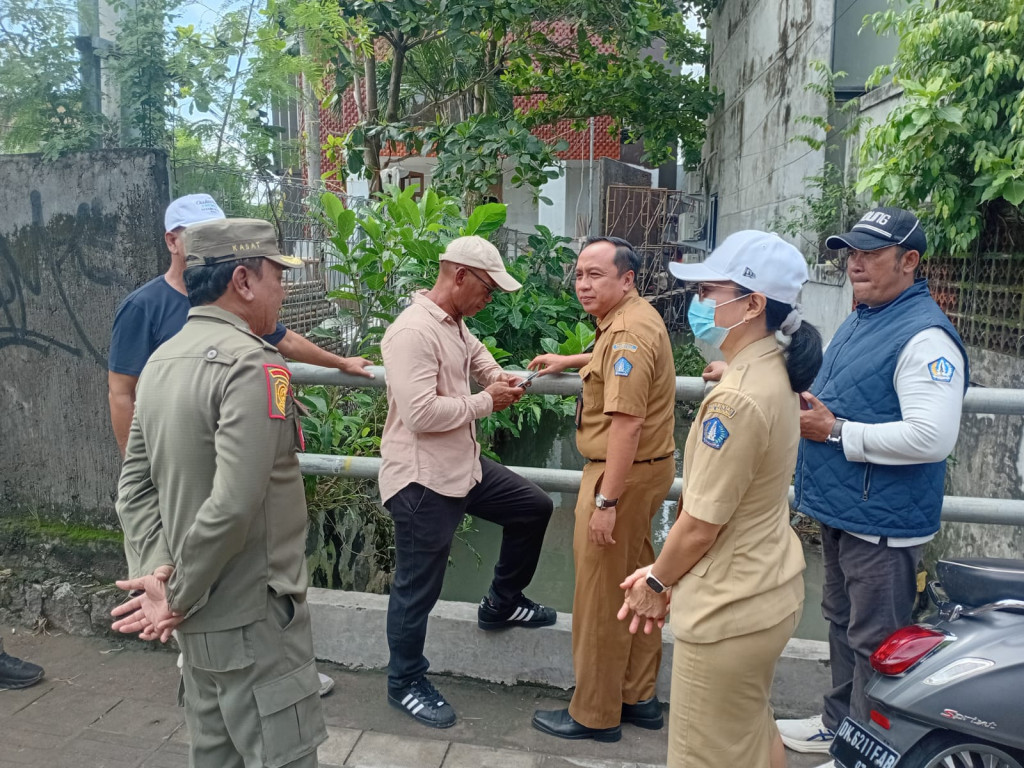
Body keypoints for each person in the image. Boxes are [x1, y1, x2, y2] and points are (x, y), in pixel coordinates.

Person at [107, 193, 368, 696]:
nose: (284, 290)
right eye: (278, 277)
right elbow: (232, 503)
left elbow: (132, 487)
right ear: (243, 281)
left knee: (212, 720)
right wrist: (177, 594)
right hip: (246, 593)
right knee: (269, 722)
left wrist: (157, 572)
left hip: (190, 572)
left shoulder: (163, 358)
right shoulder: (249, 362)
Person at [617, 230, 823, 768]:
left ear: (753, 304)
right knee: (751, 732)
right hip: (767, 588)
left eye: (709, 291)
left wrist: (656, 582)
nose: (699, 302)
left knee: (706, 754)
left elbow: (700, 525)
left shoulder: (735, 402)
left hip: (729, 606)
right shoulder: (773, 371)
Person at [775, 207, 969, 764]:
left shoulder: (925, 337)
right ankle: (838, 726)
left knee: (876, 643)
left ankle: (864, 750)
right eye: (852, 252)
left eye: (871, 253)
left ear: (909, 261)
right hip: (846, 510)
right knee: (841, 624)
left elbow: (932, 437)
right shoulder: (867, 317)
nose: (855, 263)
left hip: (883, 522)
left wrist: (836, 431)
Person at [379, 235, 556, 729]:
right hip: (422, 480)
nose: (490, 298)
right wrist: (487, 401)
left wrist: (501, 377)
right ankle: (404, 682)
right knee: (417, 587)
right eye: (487, 289)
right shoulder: (412, 331)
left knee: (533, 507)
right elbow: (419, 414)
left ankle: (502, 602)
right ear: (459, 276)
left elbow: (478, 358)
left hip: (462, 465)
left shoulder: (453, 322)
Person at [530, 236, 676, 744]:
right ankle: (638, 697)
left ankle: (595, 714)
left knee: (599, 597)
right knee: (639, 584)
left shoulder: (628, 334)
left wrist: (606, 502)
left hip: (621, 476)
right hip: (648, 471)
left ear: (627, 279)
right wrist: (571, 360)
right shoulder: (632, 321)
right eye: (579, 275)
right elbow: (608, 362)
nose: (583, 285)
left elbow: (626, 425)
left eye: (596, 275)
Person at [108, 193, 373, 458]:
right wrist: (138, 466)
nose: (211, 240)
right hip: (178, 447)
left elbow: (285, 339)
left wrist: (341, 362)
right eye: (200, 232)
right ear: (172, 242)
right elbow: (121, 393)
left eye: (218, 231)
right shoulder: (143, 307)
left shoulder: (226, 296)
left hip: (229, 442)